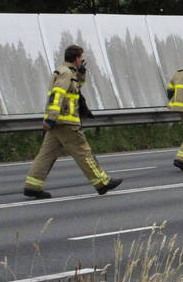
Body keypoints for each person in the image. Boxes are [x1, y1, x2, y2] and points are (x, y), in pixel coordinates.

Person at [22, 45, 122, 199]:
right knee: (84, 152)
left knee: (46, 155)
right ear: (76, 58)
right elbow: (58, 94)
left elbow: (74, 89)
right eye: (81, 58)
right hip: (66, 123)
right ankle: (102, 183)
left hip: (59, 123)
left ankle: (32, 186)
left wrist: (82, 73)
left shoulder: (68, 73)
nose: (82, 60)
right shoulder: (66, 73)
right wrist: (52, 117)